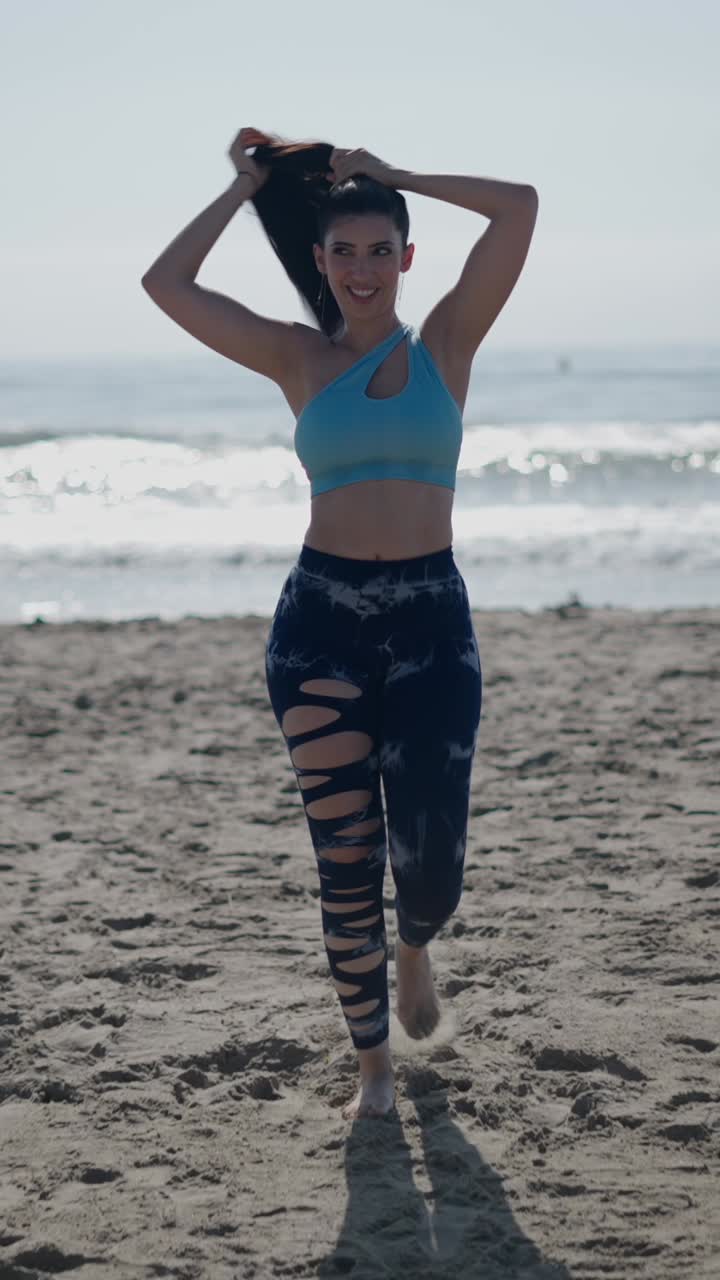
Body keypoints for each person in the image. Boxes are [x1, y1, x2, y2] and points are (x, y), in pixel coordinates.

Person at [141, 127, 538, 1119]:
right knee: (345, 859)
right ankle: (373, 1071)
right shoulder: (296, 358)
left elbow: (520, 204)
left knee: (432, 857)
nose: (361, 269)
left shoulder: (447, 342)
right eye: (343, 251)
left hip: (430, 618)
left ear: (405, 259)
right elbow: (167, 282)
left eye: (378, 249)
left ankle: (418, 946)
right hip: (318, 625)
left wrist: (400, 178)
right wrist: (243, 191)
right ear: (319, 260)